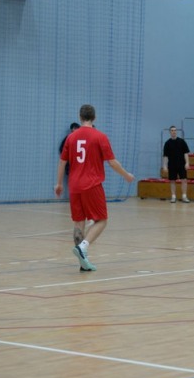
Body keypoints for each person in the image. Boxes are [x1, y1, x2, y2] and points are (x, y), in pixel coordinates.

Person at [55, 104, 135, 272]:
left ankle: (83, 263)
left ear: (80, 117)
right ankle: (83, 247)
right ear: (94, 117)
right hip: (91, 184)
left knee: (79, 222)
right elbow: (112, 162)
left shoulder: (71, 137)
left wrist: (60, 183)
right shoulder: (100, 136)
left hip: (74, 186)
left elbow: (62, 162)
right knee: (102, 220)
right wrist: (126, 175)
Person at [162, 125, 190, 203]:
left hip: (181, 164)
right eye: (172, 130)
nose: (174, 132)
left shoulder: (182, 141)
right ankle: (173, 197)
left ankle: (184, 196)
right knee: (172, 181)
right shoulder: (167, 143)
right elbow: (165, 156)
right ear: (170, 132)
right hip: (172, 165)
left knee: (184, 180)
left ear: (176, 131)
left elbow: (186, 153)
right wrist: (164, 165)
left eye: (175, 130)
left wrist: (187, 163)